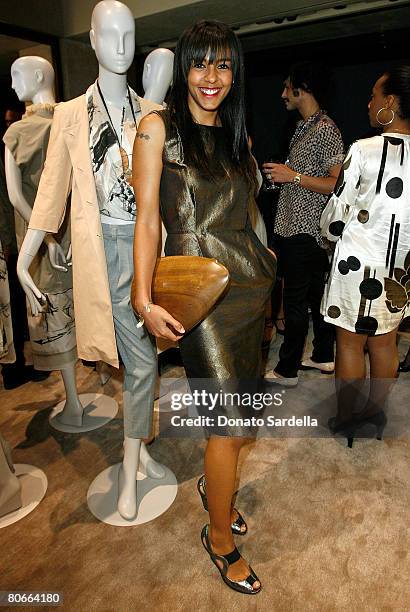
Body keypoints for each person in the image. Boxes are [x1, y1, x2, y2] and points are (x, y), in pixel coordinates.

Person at [132, 20, 276, 594]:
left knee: (243, 424)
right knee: (228, 425)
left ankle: (216, 490)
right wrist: (142, 298)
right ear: (183, 69)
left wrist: (265, 256)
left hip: (249, 286)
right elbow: (147, 222)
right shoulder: (156, 130)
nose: (211, 77)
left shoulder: (238, 136)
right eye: (200, 63)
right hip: (200, 292)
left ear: (234, 72)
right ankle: (219, 537)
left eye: (222, 65)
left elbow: (244, 213)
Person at [321, 65, 410, 444]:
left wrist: (328, 235)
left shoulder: (363, 150)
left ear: (390, 102)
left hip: (356, 262)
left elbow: (334, 217)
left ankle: (346, 417)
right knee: (386, 343)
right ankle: (375, 413)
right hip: (399, 270)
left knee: (350, 344)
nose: (369, 102)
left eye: (375, 95)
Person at [263, 61, 344, 386]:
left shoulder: (325, 129)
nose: (283, 94)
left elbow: (336, 183)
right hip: (298, 229)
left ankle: (287, 369)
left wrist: (291, 175)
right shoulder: (306, 125)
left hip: (306, 231)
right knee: (314, 299)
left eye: (287, 87)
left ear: (303, 88)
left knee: (295, 302)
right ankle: (323, 356)